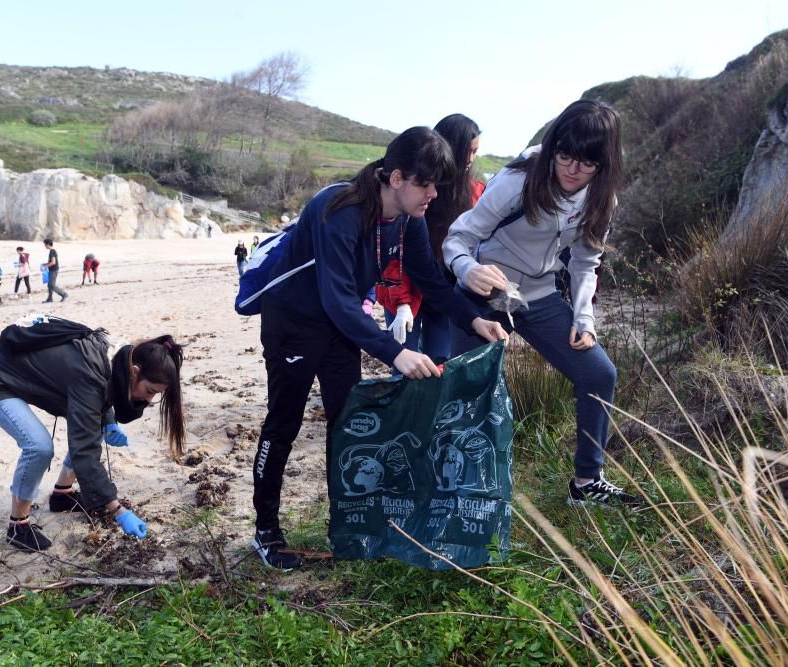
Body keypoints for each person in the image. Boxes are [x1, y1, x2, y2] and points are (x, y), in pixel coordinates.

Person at [250, 126, 508, 569]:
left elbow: (430, 281)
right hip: (293, 322)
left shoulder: (410, 217)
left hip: (340, 326)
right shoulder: (339, 210)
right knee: (284, 422)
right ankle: (266, 530)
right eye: (424, 184)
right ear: (396, 178)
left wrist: (475, 318)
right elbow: (335, 298)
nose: (432, 194)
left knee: (348, 422)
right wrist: (395, 352)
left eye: (437, 186)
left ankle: (351, 523)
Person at [442, 99, 640, 508]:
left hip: (540, 294)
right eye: (564, 156)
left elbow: (587, 261)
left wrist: (584, 317)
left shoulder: (602, 198)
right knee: (463, 390)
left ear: (603, 164)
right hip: (486, 291)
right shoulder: (519, 179)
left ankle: (587, 483)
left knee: (599, 374)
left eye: (586, 163)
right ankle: (454, 489)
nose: (571, 169)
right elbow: (458, 238)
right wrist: (467, 270)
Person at [0, 326, 186, 551]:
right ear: (134, 371)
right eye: (150, 391)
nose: (149, 400)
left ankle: (62, 496)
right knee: (39, 446)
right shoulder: (90, 371)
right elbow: (85, 450)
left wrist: (109, 422)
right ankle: (18, 527)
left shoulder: (117, 358)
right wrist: (118, 511)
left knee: (96, 426)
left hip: (22, 376)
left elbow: (104, 393)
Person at [377, 113, 485, 364]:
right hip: (403, 287)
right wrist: (402, 301)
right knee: (404, 361)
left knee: (440, 361)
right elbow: (393, 253)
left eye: (476, 151)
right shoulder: (410, 197)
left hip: (443, 292)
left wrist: (473, 312)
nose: (471, 159)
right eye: (467, 151)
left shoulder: (476, 192)